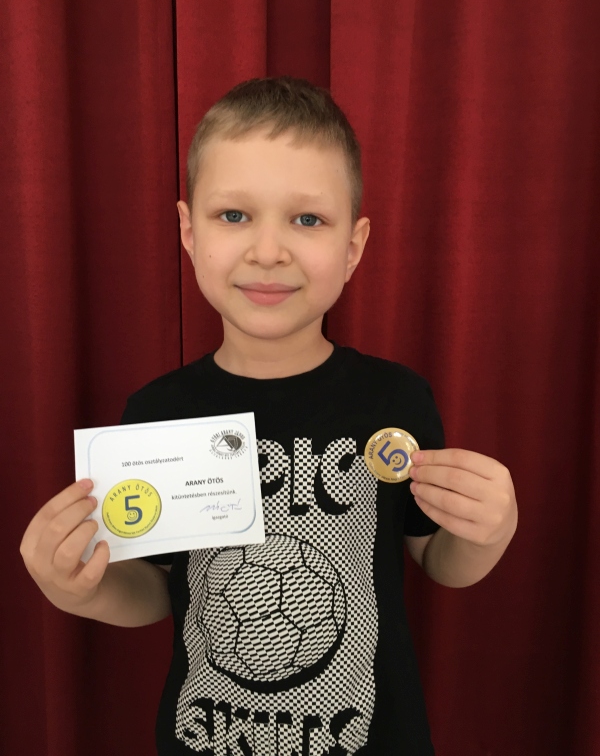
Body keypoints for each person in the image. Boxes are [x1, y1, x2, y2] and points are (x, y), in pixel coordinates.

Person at [20, 76, 518, 755]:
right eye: (234, 215)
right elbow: (158, 591)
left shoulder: (396, 400)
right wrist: (80, 590)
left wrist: (489, 533)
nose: (268, 251)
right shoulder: (157, 413)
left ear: (354, 246)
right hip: (206, 735)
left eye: (307, 220)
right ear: (188, 231)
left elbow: (438, 559)